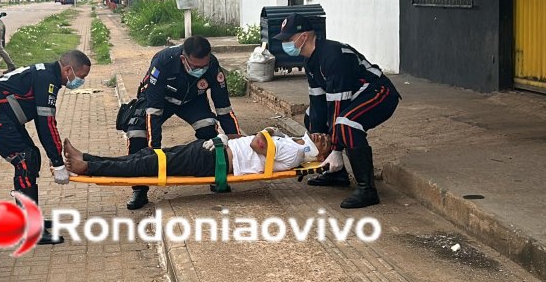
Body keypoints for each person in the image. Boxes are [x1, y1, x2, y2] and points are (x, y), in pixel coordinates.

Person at [274, 13, 400, 208]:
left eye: (288, 39)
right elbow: (318, 103)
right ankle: (336, 173)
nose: (285, 44)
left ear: (304, 37)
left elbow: (338, 104)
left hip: (380, 93)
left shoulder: (332, 55)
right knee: (310, 116)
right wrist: (318, 136)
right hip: (352, 97)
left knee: (345, 123)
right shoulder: (309, 60)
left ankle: (367, 189)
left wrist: (336, 149)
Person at [0, 50, 92, 244]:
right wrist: (58, 162)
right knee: (25, 161)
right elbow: (47, 124)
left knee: (31, 156)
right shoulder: (47, 80)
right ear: (68, 70)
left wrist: (55, 157)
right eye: (81, 76)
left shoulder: (49, 75)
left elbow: (45, 124)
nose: (81, 81)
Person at [122, 36, 241, 210]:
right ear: (183, 59)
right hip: (160, 99)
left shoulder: (213, 66)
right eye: (196, 67)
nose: (201, 70)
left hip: (192, 101)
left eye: (204, 66)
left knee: (208, 129)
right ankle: (139, 189)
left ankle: (217, 174)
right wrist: (154, 151)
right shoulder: (163, 62)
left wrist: (236, 141)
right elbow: (153, 111)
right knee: (137, 133)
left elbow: (223, 108)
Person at [64, 129, 328, 178]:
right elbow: (255, 140)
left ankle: (88, 167)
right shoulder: (288, 140)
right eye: (323, 135)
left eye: (326, 143)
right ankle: (87, 158)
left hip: (216, 160)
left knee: (150, 164)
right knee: (147, 154)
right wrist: (224, 137)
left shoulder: (296, 154)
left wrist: (266, 131)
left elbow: (256, 144)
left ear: (319, 156)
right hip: (215, 149)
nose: (321, 137)